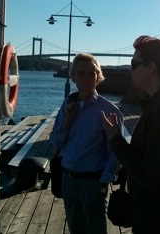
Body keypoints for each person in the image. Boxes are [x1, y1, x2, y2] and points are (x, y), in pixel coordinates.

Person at [102, 35, 160, 234]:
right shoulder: (158, 105)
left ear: (152, 67)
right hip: (150, 216)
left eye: (134, 64)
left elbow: (149, 175)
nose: (130, 70)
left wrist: (115, 138)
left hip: (156, 222)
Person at [50, 53, 124, 234]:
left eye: (91, 74)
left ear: (98, 77)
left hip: (93, 183)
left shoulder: (109, 110)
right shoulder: (67, 104)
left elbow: (116, 152)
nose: (86, 78)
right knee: (75, 229)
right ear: (73, 76)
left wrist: (104, 180)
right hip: (68, 180)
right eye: (81, 74)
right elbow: (56, 142)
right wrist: (68, 120)